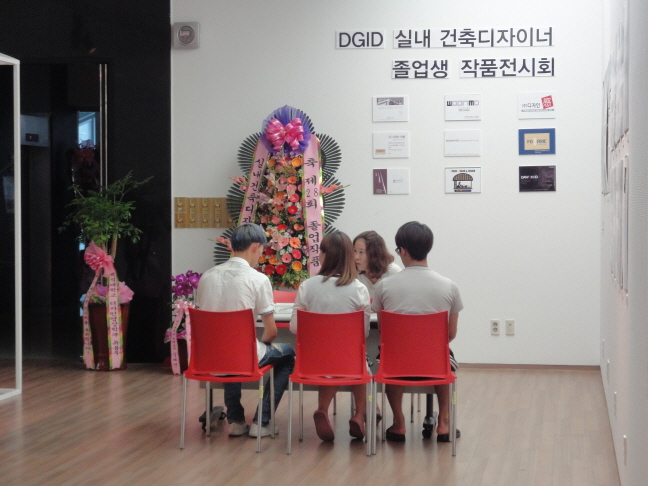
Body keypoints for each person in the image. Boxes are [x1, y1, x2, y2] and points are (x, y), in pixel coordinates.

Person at [196, 223, 295, 438]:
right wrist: (260, 347)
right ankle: (262, 421)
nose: (261, 255)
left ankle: (236, 421)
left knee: (230, 350)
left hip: (207, 357)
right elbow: (271, 332)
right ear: (255, 246)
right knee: (287, 353)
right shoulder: (258, 279)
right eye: (262, 250)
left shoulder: (207, 277)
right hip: (241, 357)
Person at [372, 221, 463, 443]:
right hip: (434, 364)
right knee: (444, 355)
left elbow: (384, 332)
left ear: (403, 251)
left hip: (397, 364)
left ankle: (399, 422)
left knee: (389, 356)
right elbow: (450, 334)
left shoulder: (384, 286)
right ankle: (444, 422)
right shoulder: (449, 286)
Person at [289, 231, 371, 442]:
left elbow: (294, 327)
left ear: (325, 255)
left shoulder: (307, 286)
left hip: (312, 362)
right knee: (359, 363)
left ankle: (323, 409)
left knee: (329, 363)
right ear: (349, 256)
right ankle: (359, 415)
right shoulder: (359, 289)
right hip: (349, 362)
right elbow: (363, 333)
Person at [353, 230, 401, 300]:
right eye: (354, 251)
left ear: (375, 253)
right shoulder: (354, 273)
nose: (356, 257)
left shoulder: (393, 272)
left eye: (361, 252)